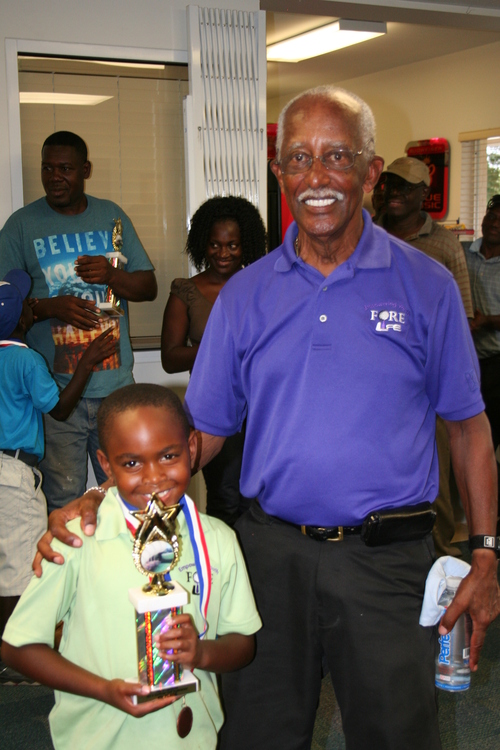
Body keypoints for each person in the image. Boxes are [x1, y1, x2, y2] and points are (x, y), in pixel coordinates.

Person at [36, 86, 500, 750]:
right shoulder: (247, 294)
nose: (317, 177)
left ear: (369, 172)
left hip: (388, 559)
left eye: (337, 156)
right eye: (299, 158)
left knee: (397, 734)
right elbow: (203, 433)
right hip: (268, 557)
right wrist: (106, 494)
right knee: (258, 732)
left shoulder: (423, 285)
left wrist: (484, 555)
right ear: (278, 173)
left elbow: (469, 424)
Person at [2, 384, 261, 750]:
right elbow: (17, 647)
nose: (154, 476)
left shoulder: (218, 540)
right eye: (132, 463)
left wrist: (200, 653)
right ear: (106, 465)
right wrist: (104, 690)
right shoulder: (77, 540)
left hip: (192, 738)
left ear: (192, 448)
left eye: (169, 455)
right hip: (97, 738)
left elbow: (242, 644)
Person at [0, 131, 157, 512]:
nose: (55, 177)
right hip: (57, 397)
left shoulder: (111, 216)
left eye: (66, 168)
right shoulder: (21, 226)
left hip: (115, 389)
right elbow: (3, 306)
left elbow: (148, 286)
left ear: (85, 170)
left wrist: (112, 275)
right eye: (47, 168)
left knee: (130, 499)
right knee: (64, 504)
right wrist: (52, 307)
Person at [0, 269, 114, 647]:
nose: (34, 306)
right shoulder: (26, 361)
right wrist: (88, 359)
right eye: (28, 305)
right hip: (14, 473)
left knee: (4, 560)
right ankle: (18, 652)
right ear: (22, 320)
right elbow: (61, 409)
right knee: (21, 566)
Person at [378, 155, 474, 557]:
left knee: (432, 475)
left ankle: (439, 562)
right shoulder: (364, 234)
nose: (393, 193)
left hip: (425, 382)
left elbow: (463, 319)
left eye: (403, 186)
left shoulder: (444, 246)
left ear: (424, 195)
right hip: (373, 380)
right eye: (388, 184)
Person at [161, 196, 267, 525]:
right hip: (215, 406)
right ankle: (223, 571)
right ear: (202, 245)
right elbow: (170, 358)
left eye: (232, 245)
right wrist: (221, 347)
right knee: (225, 496)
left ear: (246, 244)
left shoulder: (264, 285)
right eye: (215, 245)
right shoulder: (187, 291)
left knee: (262, 499)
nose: (223, 254)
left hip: (264, 406)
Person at [466, 195, 500, 513]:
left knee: (489, 440)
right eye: (491, 216)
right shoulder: (465, 253)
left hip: (497, 364)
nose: (493, 223)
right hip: (466, 362)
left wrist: (487, 320)